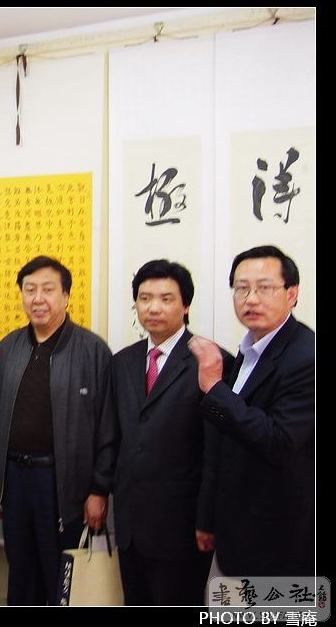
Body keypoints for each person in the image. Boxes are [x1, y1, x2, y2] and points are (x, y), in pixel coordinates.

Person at [0, 255, 116, 605]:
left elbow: (107, 427)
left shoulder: (92, 351)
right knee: (21, 572)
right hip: (14, 479)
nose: (38, 298)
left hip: (64, 485)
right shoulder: (9, 346)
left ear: (66, 296)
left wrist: (99, 489)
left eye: (48, 289)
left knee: (60, 575)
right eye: (30, 290)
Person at [188, 245, 314, 577]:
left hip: (281, 537)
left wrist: (214, 389)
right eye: (241, 288)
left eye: (265, 288)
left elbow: (279, 440)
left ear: (292, 294)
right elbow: (224, 441)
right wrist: (209, 517)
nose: (251, 299)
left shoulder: (306, 356)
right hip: (238, 528)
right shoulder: (248, 350)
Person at [111, 260, 221, 605]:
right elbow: (115, 436)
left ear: (185, 305)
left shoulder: (210, 361)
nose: (153, 308)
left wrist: (208, 518)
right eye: (145, 298)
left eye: (166, 298)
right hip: (130, 522)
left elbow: (216, 451)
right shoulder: (122, 362)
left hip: (182, 526)